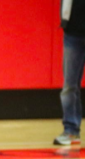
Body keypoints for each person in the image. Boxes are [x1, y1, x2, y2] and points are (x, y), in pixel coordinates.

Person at [54, 0, 85, 145]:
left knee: (70, 86)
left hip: (73, 34)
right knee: (70, 85)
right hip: (73, 34)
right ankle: (71, 130)